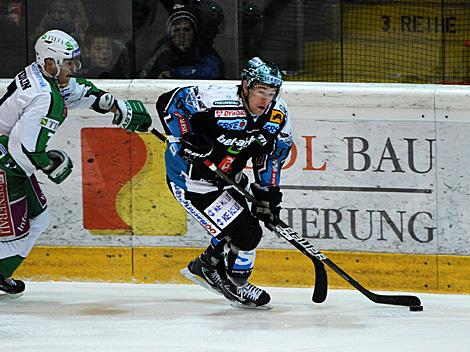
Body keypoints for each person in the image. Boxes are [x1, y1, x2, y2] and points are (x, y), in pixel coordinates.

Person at [0, 29, 152, 296]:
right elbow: (24, 147)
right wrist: (48, 164)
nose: (74, 68)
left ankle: (1, 272)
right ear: (50, 63)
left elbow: (78, 91)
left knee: (40, 217)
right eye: (68, 63)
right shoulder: (45, 98)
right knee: (13, 235)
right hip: (7, 165)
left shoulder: (44, 78)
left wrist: (114, 105)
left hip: (10, 160)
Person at [156, 57, 292, 308]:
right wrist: (188, 137)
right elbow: (169, 102)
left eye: (271, 92)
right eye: (260, 91)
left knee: (241, 229)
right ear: (245, 85)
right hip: (192, 181)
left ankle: (206, 266)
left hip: (229, 178)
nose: (265, 99)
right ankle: (231, 282)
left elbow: (271, 155)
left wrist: (268, 194)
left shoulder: (277, 115)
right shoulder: (214, 99)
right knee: (247, 235)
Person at [139, 3, 224, 79]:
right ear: (170, 35)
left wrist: (175, 73)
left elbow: (212, 71)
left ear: (194, 33)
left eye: (186, 30)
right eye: (176, 30)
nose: (181, 35)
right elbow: (144, 75)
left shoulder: (202, 49)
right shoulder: (163, 51)